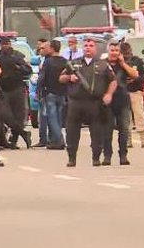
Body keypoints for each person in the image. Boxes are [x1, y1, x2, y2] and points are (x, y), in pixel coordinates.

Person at [60, 38, 117, 167]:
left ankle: (96, 158)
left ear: (95, 49)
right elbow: (61, 78)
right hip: (76, 102)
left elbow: (113, 81)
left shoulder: (103, 64)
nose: (88, 48)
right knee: (72, 131)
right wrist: (69, 77)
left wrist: (108, 94)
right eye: (85, 45)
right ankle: (72, 158)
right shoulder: (73, 63)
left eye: (91, 46)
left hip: (94, 103)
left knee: (97, 132)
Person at [0, 37, 32, 149]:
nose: (5, 46)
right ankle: (24, 134)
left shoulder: (17, 55)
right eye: (3, 44)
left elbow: (28, 70)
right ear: (0, 45)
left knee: (18, 115)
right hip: (3, 89)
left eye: (7, 44)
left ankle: (14, 140)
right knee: (4, 115)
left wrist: (18, 67)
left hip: (17, 88)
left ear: (10, 44)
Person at [101, 42, 138, 166]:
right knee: (107, 130)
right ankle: (107, 156)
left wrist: (123, 64)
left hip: (122, 100)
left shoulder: (123, 64)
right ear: (108, 51)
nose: (114, 53)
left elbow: (135, 75)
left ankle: (123, 155)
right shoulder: (103, 64)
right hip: (107, 102)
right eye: (112, 50)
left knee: (124, 129)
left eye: (116, 50)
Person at [38, 39, 68, 150]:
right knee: (59, 118)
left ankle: (59, 140)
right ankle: (54, 141)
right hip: (62, 93)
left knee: (52, 118)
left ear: (51, 48)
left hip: (50, 92)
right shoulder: (65, 61)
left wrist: (38, 90)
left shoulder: (48, 62)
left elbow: (42, 77)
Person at [122, 42, 144, 148]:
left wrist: (135, 79)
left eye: (127, 51)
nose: (126, 54)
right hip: (123, 92)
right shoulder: (119, 62)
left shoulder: (137, 61)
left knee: (139, 115)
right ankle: (128, 140)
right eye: (124, 52)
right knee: (125, 117)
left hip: (136, 91)